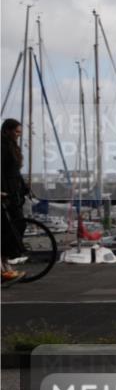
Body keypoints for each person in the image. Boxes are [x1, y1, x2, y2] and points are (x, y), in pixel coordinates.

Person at [1, 119, 29, 283]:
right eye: (17, 132)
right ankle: (4, 264)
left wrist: (25, 187)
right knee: (9, 227)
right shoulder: (2, 147)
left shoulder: (13, 147)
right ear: (7, 131)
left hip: (14, 192)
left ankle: (6, 261)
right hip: (5, 193)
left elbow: (15, 172)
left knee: (18, 224)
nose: (19, 135)